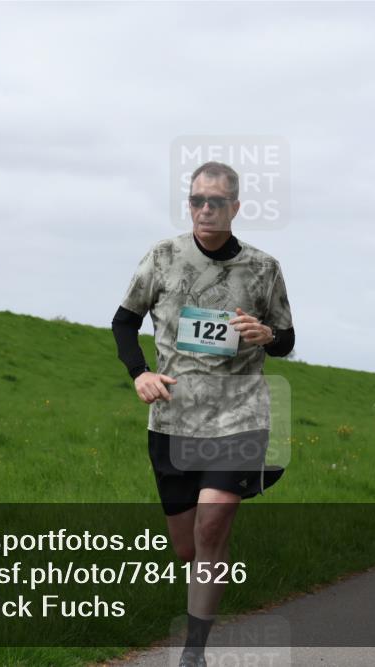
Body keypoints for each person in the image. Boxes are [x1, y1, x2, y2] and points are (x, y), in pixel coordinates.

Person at [111, 161, 295, 667]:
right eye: (197, 201)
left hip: (240, 415)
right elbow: (124, 322)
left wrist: (269, 337)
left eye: (216, 201)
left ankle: (194, 653)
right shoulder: (163, 257)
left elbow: (286, 339)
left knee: (214, 524)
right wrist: (139, 374)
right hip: (174, 419)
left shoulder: (263, 268)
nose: (205, 210)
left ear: (235, 207)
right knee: (188, 549)